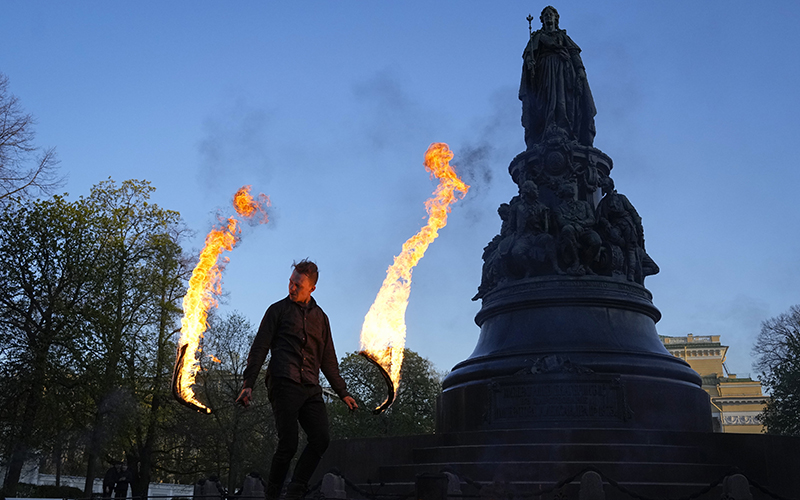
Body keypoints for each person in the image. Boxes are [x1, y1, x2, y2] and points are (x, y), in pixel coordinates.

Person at [237, 260, 358, 500]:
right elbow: (260, 348)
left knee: (321, 438)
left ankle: (295, 489)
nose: (292, 288)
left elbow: (328, 360)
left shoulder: (321, 318)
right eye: (291, 282)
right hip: (283, 381)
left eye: (298, 285)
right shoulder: (277, 310)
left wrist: (343, 392)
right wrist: (248, 384)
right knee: (288, 443)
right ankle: (272, 494)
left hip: (310, 386)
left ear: (312, 288)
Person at [519, 5, 596, 148]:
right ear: (542, 20)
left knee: (563, 101)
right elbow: (529, 54)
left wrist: (580, 69)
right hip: (544, 71)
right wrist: (530, 62)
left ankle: (565, 131)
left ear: (556, 19)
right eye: (546, 15)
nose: (549, 17)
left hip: (564, 73)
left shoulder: (562, 37)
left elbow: (574, 53)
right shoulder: (537, 37)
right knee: (545, 101)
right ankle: (546, 130)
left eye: (551, 14)